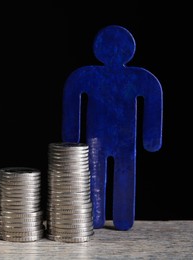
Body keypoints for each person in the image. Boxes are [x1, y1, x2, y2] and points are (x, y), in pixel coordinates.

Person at [62, 25, 163, 230]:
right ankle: (102, 218)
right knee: (101, 173)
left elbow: (154, 95)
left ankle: (115, 218)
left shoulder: (91, 75)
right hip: (106, 139)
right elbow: (72, 93)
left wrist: (71, 136)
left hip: (120, 139)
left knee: (114, 174)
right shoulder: (93, 75)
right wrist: (151, 139)